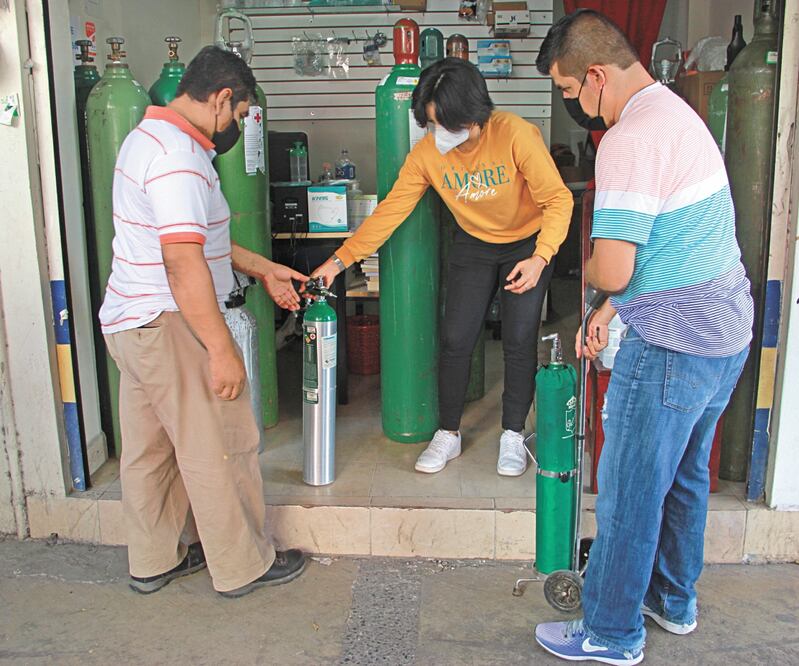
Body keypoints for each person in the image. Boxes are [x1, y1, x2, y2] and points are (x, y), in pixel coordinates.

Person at [533, 10, 753, 665]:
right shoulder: (676, 114)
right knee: (682, 479)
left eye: (569, 92)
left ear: (594, 75)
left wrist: (590, 271)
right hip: (724, 336)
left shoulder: (629, 139)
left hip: (671, 348)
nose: (571, 105)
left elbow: (618, 262)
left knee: (629, 488)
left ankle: (610, 633)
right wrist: (607, 305)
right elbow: (664, 244)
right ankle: (671, 601)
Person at [99, 46, 309, 598]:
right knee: (219, 442)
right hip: (171, 325)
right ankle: (244, 566)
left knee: (150, 452)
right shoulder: (179, 159)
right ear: (221, 99)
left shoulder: (147, 137)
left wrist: (261, 267)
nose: (237, 126)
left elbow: (199, 239)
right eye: (239, 115)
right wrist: (220, 348)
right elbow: (182, 260)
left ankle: (154, 559)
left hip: (131, 321)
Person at [313, 58, 573, 477]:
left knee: (520, 338)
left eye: (447, 124)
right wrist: (338, 261)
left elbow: (558, 200)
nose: (440, 135)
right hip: (473, 244)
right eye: (432, 125)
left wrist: (540, 257)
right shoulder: (427, 155)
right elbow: (389, 213)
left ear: (474, 113)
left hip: (526, 244)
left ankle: (511, 432)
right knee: (455, 339)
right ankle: (448, 433)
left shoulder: (516, 135)